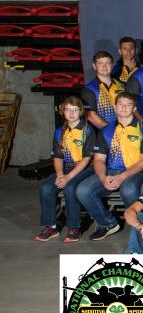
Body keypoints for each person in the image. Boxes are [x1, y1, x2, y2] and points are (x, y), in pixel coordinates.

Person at [76, 92, 143, 241]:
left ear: (134, 108)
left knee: (129, 189)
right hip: (112, 171)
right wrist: (103, 177)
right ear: (115, 107)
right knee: (83, 190)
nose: (124, 108)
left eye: (128, 105)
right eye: (120, 104)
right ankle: (108, 224)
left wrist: (121, 177)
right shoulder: (106, 130)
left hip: (138, 172)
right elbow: (99, 160)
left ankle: (141, 231)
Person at [35, 96, 95, 243]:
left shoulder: (88, 130)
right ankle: (51, 227)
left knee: (70, 188)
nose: (71, 113)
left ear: (81, 112)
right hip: (66, 168)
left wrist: (68, 178)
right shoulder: (59, 132)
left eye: (75, 110)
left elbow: (87, 159)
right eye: (68, 109)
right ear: (63, 111)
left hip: (85, 169)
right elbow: (58, 156)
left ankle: (74, 228)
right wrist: (60, 174)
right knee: (46, 188)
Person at [81, 50, 125, 129]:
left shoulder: (123, 86)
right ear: (94, 66)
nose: (104, 66)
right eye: (100, 63)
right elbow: (91, 116)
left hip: (124, 132)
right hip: (101, 135)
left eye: (108, 63)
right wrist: (112, 132)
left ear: (112, 65)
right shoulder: (89, 89)